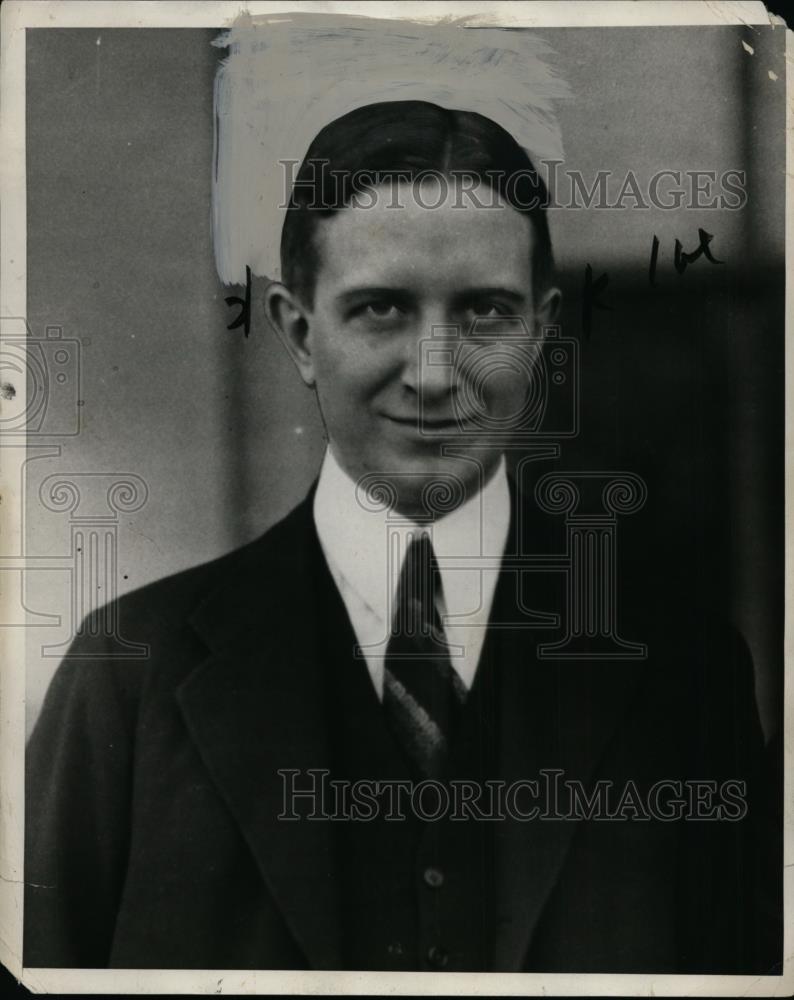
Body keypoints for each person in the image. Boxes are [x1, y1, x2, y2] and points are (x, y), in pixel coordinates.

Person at [24, 101, 778, 973]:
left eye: (487, 313)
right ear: (299, 333)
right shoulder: (130, 678)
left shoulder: (685, 670)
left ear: (541, 330)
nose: (433, 372)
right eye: (381, 308)